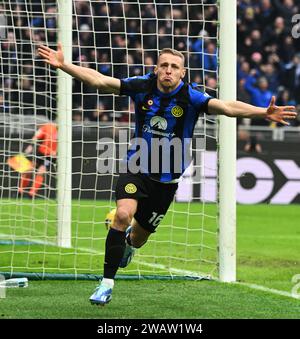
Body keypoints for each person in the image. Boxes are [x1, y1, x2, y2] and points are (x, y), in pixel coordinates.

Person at [38, 43, 297, 306]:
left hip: (166, 182)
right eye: (164, 66)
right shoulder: (142, 86)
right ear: (156, 69)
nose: (168, 71)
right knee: (123, 214)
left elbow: (228, 107)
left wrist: (262, 112)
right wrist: (65, 65)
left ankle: (127, 242)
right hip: (136, 168)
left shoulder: (191, 97)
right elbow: (101, 82)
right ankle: (106, 284)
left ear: (182, 73)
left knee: (139, 239)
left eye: (174, 67)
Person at [18, 122, 57, 198]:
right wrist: (31, 146)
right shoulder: (48, 126)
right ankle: (20, 190)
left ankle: (32, 193)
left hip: (50, 156)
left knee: (41, 171)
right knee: (29, 170)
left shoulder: (65, 131)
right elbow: (37, 136)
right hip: (41, 152)